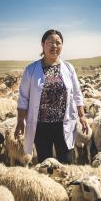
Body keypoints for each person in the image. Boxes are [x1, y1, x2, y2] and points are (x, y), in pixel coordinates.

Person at [14, 29, 88, 164]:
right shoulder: (31, 70)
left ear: (62, 46)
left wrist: (82, 115)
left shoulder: (68, 68)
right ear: (43, 45)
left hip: (63, 123)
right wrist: (20, 121)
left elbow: (77, 93)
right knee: (45, 163)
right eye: (50, 42)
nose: (54, 46)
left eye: (58, 43)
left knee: (67, 161)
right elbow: (23, 97)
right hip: (41, 125)